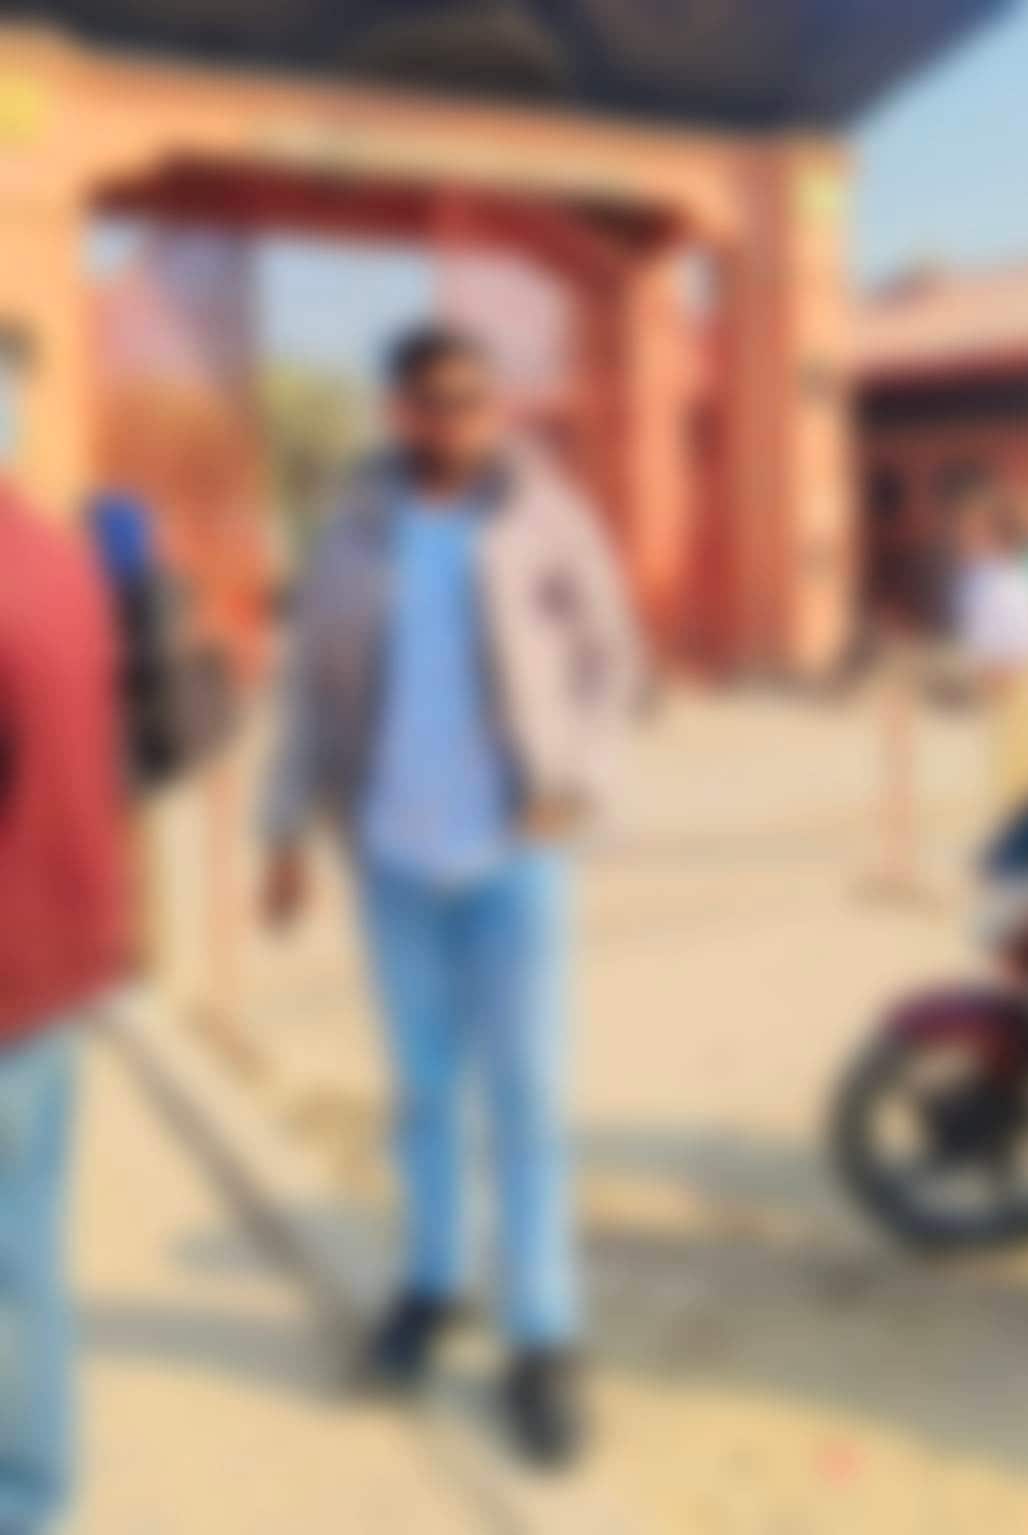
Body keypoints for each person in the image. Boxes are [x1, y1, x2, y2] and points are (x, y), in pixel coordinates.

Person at [260, 324, 642, 1467]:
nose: (461, 418)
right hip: (394, 861)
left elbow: (613, 659)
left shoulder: (545, 515)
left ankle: (543, 1334)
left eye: (478, 398)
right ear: (398, 409)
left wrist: (577, 780)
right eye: (436, 399)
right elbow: (310, 690)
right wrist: (283, 831)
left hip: (514, 859)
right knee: (424, 1092)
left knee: (528, 1099)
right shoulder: (351, 529)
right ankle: (433, 1284)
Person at [0, 480, 127, 1533]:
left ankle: (26, 1491)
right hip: (51, 968)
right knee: (26, 1245)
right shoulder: (56, 557)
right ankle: (38, 1486)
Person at [952, 488, 1028, 824]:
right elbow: (980, 631)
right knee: (1009, 761)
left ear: (998, 537)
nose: (967, 543)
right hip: (1005, 675)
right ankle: (1022, 819)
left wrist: (1005, 668)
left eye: (976, 535)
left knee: (1023, 762)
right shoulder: (980, 578)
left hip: (1019, 675)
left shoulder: (1013, 578)